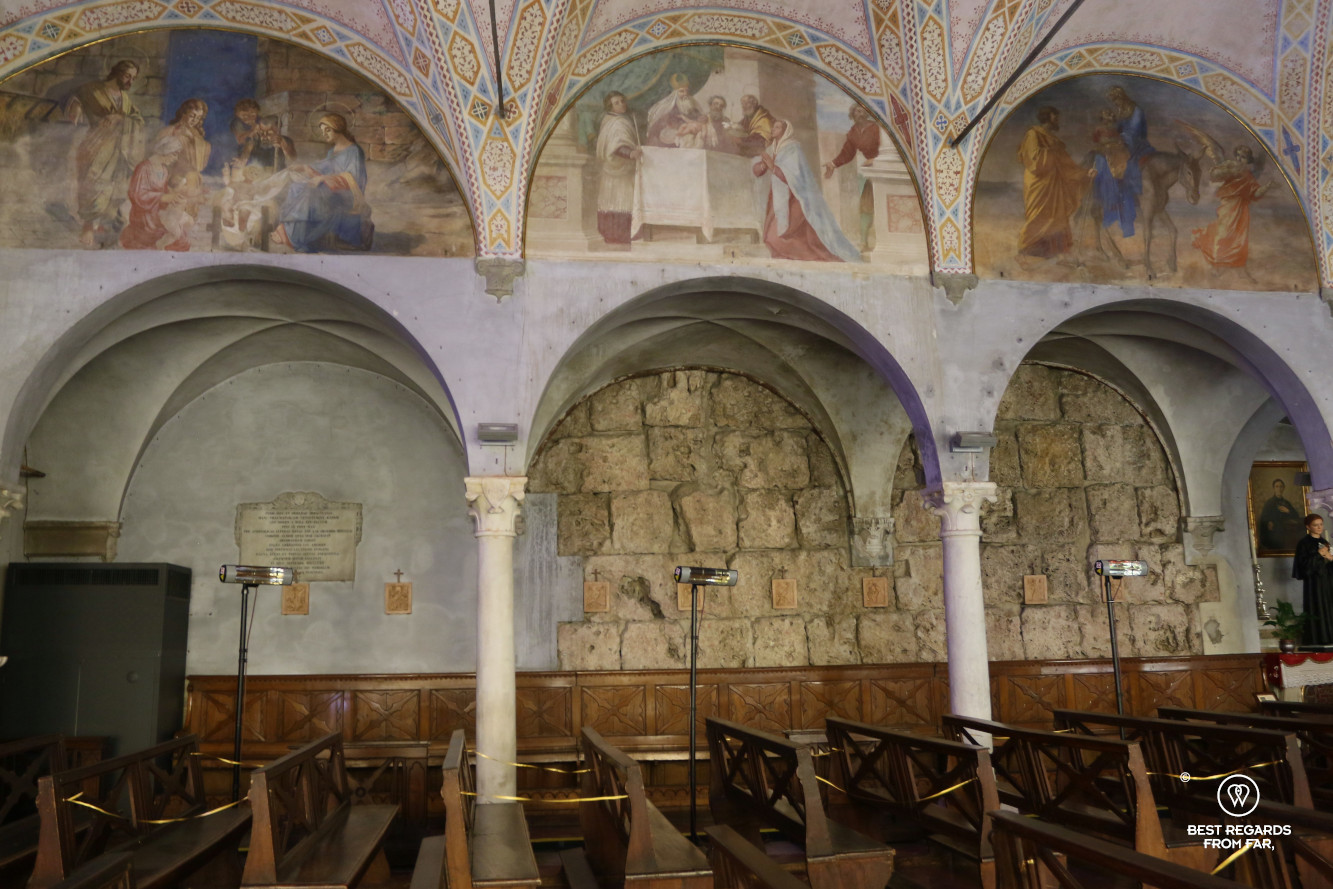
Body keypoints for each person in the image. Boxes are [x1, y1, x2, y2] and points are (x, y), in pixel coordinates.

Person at [751, 119, 862, 263]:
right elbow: (758, 171)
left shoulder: (793, 148)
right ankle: (788, 256)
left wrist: (772, 166)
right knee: (770, 237)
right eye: (773, 127)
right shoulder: (772, 148)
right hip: (778, 195)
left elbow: (794, 176)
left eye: (777, 127)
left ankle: (806, 255)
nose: (773, 130)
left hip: (795, 196)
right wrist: (763, 165)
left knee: (793, 234)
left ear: (785, 131)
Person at [68, 59, 145, 247]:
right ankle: (87, 227)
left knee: (114, 188)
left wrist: (119, 117)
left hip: (119, 150)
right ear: (116, 73)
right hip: (96, 146)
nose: (130, 81)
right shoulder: (93, 89)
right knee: (93, 185)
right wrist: (76, 106)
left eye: (133, 78)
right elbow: (74, 97)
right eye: (127, 76)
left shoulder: (125, 99)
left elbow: (138, 120)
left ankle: (104, 226)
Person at [272, 113, 373, 253]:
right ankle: (292, 232)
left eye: (328, 130)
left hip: (347, 195)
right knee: (296, 187)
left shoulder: (354, 151)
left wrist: (323, 179)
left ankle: (297, 238)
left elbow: (353, 179)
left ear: (338, 128)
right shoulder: (332, 151)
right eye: (322, 131)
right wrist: (304, 167)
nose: (324, 134)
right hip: (330, 189)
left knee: (309, 193)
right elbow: (322, 167)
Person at [1016, 105, 1090, 259]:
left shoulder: (1054, 141)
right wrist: (1053, 151)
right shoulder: (1033, 134)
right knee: (1038, 216)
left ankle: (1051, 250)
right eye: (1055, 118)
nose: (1058, 121)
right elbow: (1034, 160)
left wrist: (1085, 174)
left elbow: (1067, 165)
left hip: (1054, 184)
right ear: (1047, 118)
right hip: (1039, 184)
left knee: (1055, 216)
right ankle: (1028, 248)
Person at [1191, 145, 1269, 281]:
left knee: (1239, 238)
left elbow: (1254, 193)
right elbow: (1214, 174)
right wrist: (1227, 171)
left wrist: (1267, 187)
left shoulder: (1248, 176)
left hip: (1241, 209)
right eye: (1238, 156)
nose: (1239, 159)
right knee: (1223, 235)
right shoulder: (1230, 167)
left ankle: (1240, 268)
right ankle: (1219, 266)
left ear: (1248, 160)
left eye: (1243, 157)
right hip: (1227, 207)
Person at [822, 104, 882, 251]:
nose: (859, 113)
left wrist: (876, 160)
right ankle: (863, 242)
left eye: (861, 111)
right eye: (856, 111)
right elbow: (847, 153)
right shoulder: (854, 132)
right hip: (871, 174)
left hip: (885, 169)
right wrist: (832, 164)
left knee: (882, 207)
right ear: (852, 114)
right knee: (866, 207)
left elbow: (890, 148)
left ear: (867, 113)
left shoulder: (877, 128)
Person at [119, 135, 192, 251]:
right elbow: (137, 195)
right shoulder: (144, 168)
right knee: (166, 237)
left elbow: (164, 193)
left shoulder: (164, 170)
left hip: (158, 212)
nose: (175, 158)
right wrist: (163, 197)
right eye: (174, 154)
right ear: (165, 151)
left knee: (182, 239)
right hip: (144, 214)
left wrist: (174, 199)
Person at [594, 91, 642, 245]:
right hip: (617, 169)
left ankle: (622, 236)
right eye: (617, 103)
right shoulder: (616, 122)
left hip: (621, 170)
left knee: (620, 201)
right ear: (610, 106)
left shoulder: (618, 120)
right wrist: (630, 154)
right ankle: (616, 237)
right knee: (618, 200)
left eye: (622, 101)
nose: (622, 104)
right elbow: (615, 146)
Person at [1090, 107, 1138, 237]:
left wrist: (1119, 144)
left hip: (1118, 159)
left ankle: (1125, 206)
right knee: (1105, 178)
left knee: (1126, 177)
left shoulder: (1117, 131)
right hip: (1104, 158)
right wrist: (1110, 145)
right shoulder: (1099, 130)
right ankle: (1106, 204)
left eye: (1111, 118)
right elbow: (1097, 144)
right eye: (1107, 118)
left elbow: (1123, 143)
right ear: (1103, 120)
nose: (1109, 121)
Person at [1292, 514, 1333, 647]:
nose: (1319, 527)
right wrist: (1319, 554)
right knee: (1317, 607)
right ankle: (1319, 639)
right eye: (1316, 525)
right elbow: (1304, 566)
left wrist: (1330, 558)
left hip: (1327, 581)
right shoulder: (1304, 543)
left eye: (1321, 524)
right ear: (1308, 527)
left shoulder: (1326, 543)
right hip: (1314, 584)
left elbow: (1329, 564)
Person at [645, 74, 705, 148]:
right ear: (675, 93)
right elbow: (658, 128)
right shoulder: (669, 108)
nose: (685, 94)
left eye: (686, 91)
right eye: (681, 91)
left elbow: (700, 121)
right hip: (671, 139)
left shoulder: (693, 107)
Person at [1258, 477, 1305, 553]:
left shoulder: (1286, 503)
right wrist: (1269, 522)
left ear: (1283, 488)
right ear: (1274, 488)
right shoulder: (1269, 503)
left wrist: (1288, 511)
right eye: (1277, 486)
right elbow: (1264, 518)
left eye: (1281, 486)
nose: (1279, 489)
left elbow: (1296, 516)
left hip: (1287, 533)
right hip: (1274, 533)